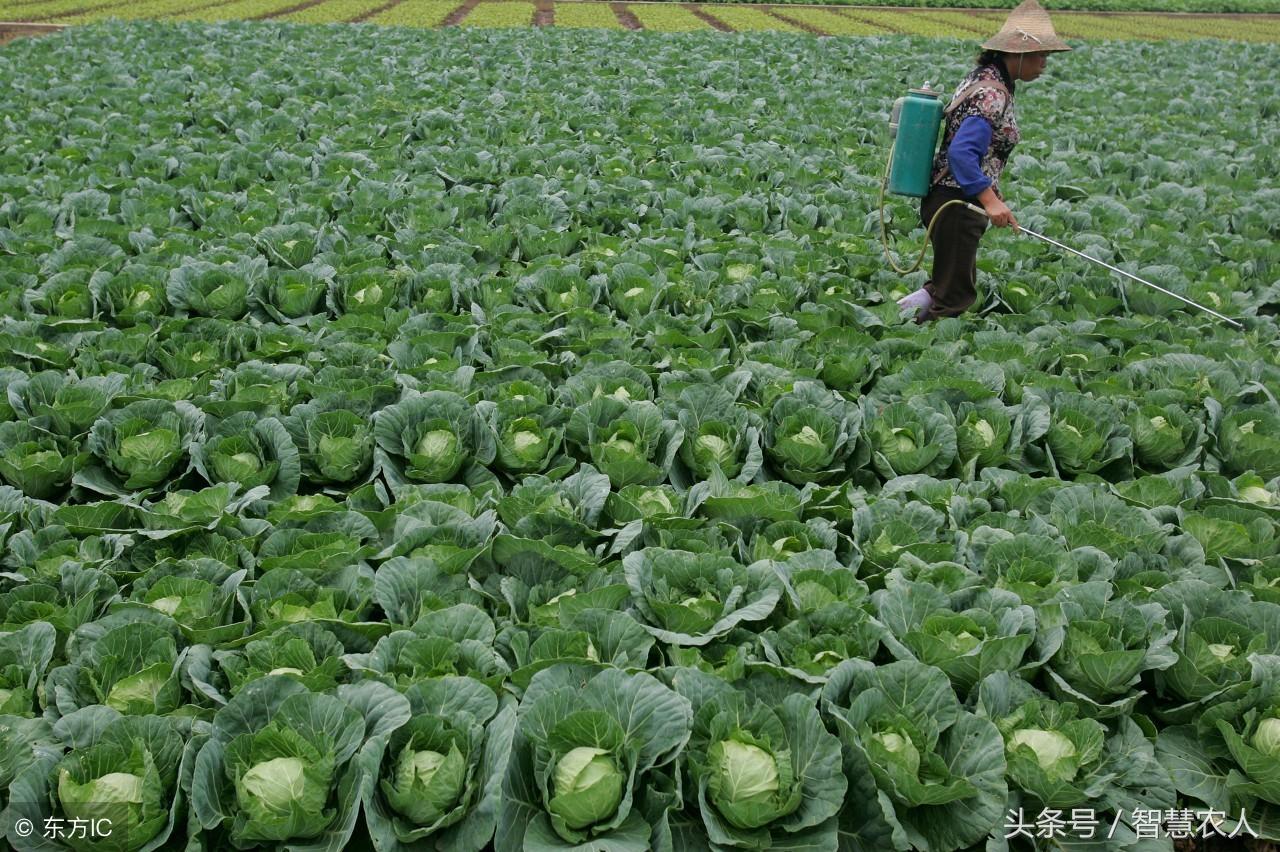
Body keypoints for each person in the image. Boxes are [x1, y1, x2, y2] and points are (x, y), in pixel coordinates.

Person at [898, 0, 1071, 323]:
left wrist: (992, 195)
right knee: (954, 296)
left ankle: (890, 321)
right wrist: (989, 200)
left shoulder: (984, 78)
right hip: (956, 205)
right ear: (1017, 53)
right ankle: (922, 353)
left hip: (948, 199)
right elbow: (961, 154)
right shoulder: (993, 94)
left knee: (944, 285)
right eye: (1041, 54)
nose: (1045, 63)